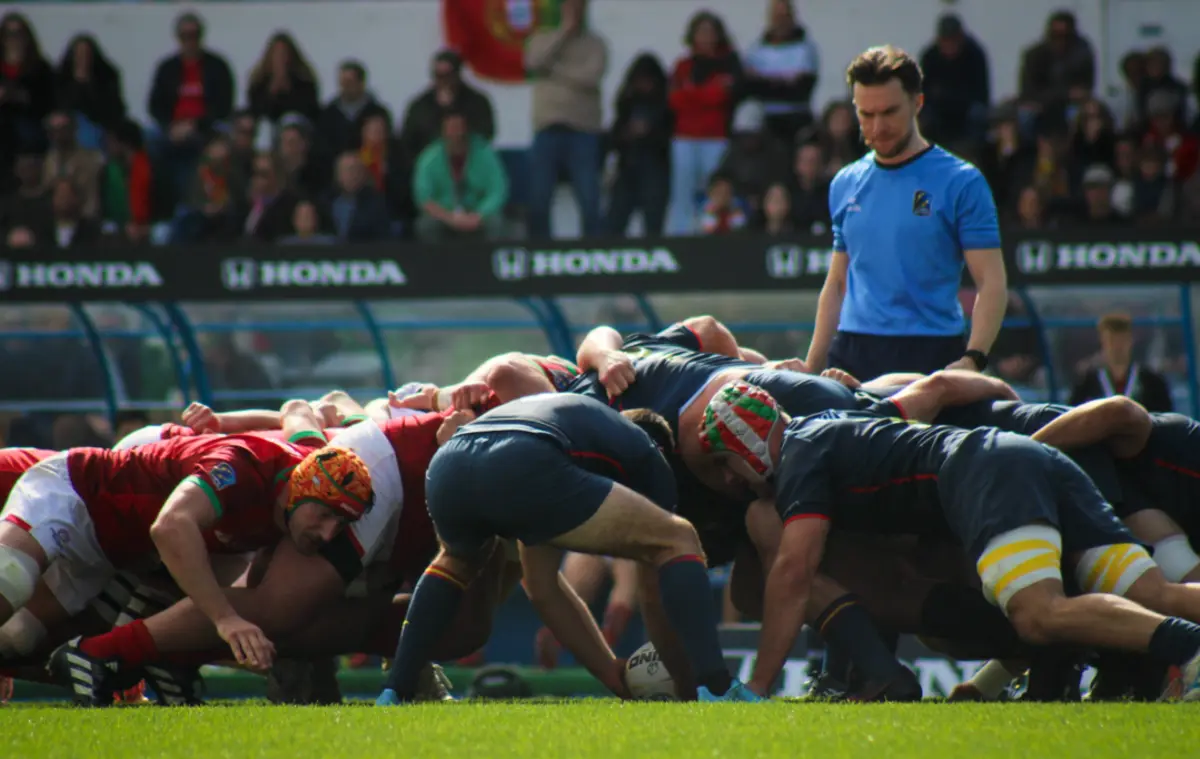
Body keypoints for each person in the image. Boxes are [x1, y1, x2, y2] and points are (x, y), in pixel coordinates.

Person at [696, 380, 1200, 700]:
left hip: (987, 472)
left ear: (746, 443)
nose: (731, 479)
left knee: (1038, 613)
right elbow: (937, 388)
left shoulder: (798, 455)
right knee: (1153, 593)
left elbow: (794, 571)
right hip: (1031, 458)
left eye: (727, 462)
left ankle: (1190, 647)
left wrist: (757, 685)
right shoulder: (830, 425)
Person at [376, 393, 760, 704]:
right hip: (524, 455)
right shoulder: (647, 452)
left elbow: (542, 588)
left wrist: (611, 674)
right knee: (678, 537)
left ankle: (396, 690)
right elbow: (652, 587)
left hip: (450, 463)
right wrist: (684, 679)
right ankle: (718, 687)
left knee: (456, 562)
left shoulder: (577, 430)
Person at [10, 427, 373, 705]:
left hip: (120, 555)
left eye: (340, 523)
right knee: (9, 579)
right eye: (324, 515)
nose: (328, 533)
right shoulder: (245, 463)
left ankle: (155, 664)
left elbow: (298, 413)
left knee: (18, 638)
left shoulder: (306, 479)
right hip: (76, 493)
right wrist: (225, 619)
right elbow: (170, 526)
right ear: (300, 487)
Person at [804, 45, 1007, 382]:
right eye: (866, 114)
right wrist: (811, 367)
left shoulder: (961, 181)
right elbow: (837, 283)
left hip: (932, 351)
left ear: (917, 103)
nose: (877, 126)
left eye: (889, 112)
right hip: (852, 352)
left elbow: (992, 282)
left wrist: (973, 359)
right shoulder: (845, 182)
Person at [1070, 313, 1173, 412]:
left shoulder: (1152, 382)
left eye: (1122, 340)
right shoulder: (1087, 383)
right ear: (1102, 341)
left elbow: (1165, 417)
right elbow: (1072, 416)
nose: (1117, 347)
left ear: (1131, 341)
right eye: (1111, 340)